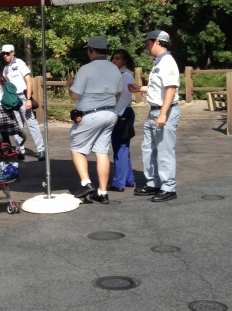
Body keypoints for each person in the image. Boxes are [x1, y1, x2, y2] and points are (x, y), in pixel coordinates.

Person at [66, 36, 122, 204]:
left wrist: (69, 86)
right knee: (102, 151)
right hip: (110, 113)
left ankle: (85, 183)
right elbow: (118, 93)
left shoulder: (86, 69)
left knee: (77, 148)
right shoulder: (115, 69)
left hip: (90, 113)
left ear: (90, 50)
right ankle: (102, 191)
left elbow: (76, 95)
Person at [127, 30, 180, 202]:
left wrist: (163, 114)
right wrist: (139, 88)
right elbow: (160, 89)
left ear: (157, 41)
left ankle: (168, 187)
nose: (146, 47)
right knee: (148, 149)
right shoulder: (159, 63)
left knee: (164, 150)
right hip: (155, 110)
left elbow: (171, 89)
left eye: (148, 43)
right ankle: (153, 182)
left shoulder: (168, 62)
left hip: (164, 110)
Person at [1, 45, 45, 162]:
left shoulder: (20, 63)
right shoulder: (5, 69)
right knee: (17, 125)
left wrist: (29, 98)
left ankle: (41, 149)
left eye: (7, 53)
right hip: (13, 99)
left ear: (12, 53)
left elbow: (29, 81)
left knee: (31, 123)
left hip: (23, 96)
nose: (5, 56)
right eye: (3, 54)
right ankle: (20, 150)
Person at [109, 49, 136, 192]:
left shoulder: (126, 75)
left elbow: (126, 96)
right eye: (113, 58)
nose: (114, 61)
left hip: (122, 112)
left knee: (120, 148)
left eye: (118, 58)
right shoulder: (120, 74)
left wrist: (116, 114)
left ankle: (119, 182)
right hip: (122, 112)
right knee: (122, 147)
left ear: (125, 61)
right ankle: (128, 179)